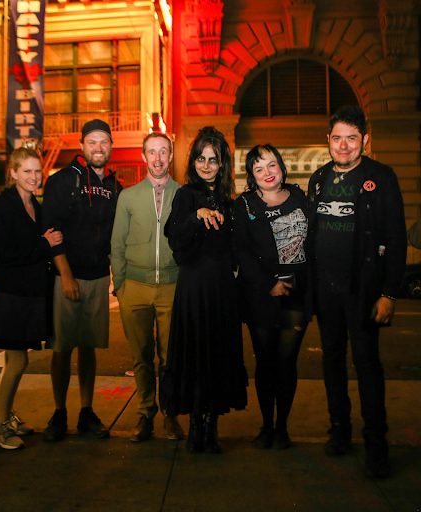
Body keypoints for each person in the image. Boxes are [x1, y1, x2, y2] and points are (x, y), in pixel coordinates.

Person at [308, 105, 407, 478]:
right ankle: (340, 431)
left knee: (367, 367)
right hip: (326, 293)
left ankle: (376, 447)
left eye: (352, 137)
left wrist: (389, 293)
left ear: (364, 139)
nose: (344, 145)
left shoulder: (381, 177)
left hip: (362, 292)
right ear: (328, 141)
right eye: (337, 138)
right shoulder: (318, 179)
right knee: (331, 363)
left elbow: (395, 239)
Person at [162, 126, 248, 453]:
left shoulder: (229, 201)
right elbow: (176, 240)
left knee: (218, 357)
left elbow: (236, 248)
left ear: (222, 163)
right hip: (195, 289)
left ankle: (212, 426)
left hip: (223, 291)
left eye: (213, 159)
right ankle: (196, 426)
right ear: (194, 160)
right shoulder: (186, 195)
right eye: (201, 158)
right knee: (196, 357)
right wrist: (196, 216)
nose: (207, 165)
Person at [42, 119, 122, 441]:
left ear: (110, 147)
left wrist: (117, 273)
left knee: (88, 348)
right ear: (82, 146)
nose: (98, 147)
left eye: (104, 142)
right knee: (61, 349)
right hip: (67, 277)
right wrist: (65, 275)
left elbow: (117, 235)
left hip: (99, 277)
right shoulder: (62, 181)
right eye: (92, 142)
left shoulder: (116, 187)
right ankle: (59, 412)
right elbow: (51, 232)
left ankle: (86, 411)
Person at [0, 147, 62, 449]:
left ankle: (7, 416)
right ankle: (1, 426)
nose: (33, 177)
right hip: (10, 297)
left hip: (27, 295)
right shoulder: (4, 206)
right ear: (13, 173)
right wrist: (43, 243)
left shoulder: (34, 206)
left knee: (15, 360)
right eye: (26, 171)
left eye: (37, 171)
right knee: (17, 360)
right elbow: (1, 254)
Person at [233, 144, 309, 450]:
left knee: (287, 362)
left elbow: (311, 244)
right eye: (259, 168)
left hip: (296, 296)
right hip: (260, 296)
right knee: (265, 362)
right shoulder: (245, 204)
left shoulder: (301, 197)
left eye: (272, 165)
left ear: (282, 166)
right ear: (252, 174)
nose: (267, 173)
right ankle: (266, 425)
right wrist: (270, 283)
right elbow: (242, 252)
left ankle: (282, 427)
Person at [111, 132, 183, 442]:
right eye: (152, 152)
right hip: (135, 288)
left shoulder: (183, 194)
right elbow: (116, 243)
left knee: (170, 357)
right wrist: (120, 284)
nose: (157, 158)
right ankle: (145, 413)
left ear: (170, 155)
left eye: (163, 152)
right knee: (141, 356)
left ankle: (170, 415)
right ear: (144, 157)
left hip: (171, 286)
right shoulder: (128, 196)